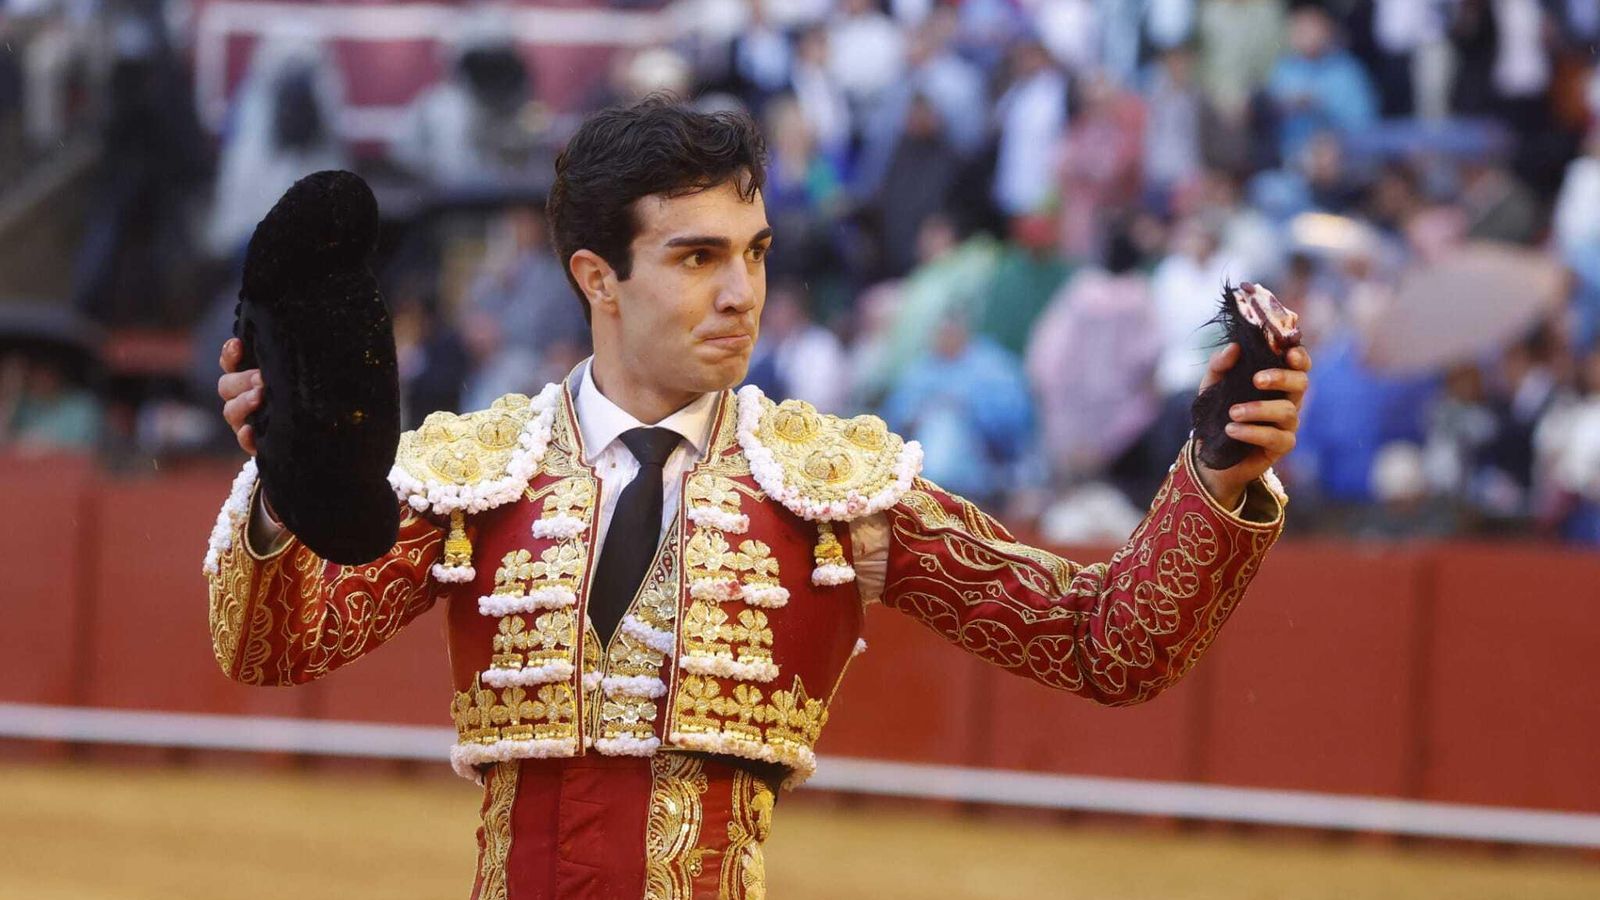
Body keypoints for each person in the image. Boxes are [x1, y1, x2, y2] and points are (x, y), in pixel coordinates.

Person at [205, 97, 1309, 899]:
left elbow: (1099, 642)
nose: (742, 294)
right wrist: (284, 474)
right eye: (695, 258)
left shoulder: (833, 487)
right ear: (600, 277)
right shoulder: (474, 475)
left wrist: (1217, 477)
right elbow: (274, 646)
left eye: (755, 252)